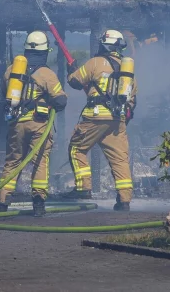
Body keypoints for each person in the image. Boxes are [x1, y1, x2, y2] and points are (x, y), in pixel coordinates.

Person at [62, 29, 138, 211]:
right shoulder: (127, 71)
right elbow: (132, 101)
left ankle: (83, 188)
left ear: (104, 44)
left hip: (95, 117)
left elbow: (74, 82)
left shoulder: (96, 62)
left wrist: (71, 70)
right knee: (120, 159)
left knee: (76, 149)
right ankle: (124, 200)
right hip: (117, 120)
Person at [0, 31, 68, 217]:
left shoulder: (10, 70)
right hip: (39, 125)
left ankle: (2, 202)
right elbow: (61, 101)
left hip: (16, 124)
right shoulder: (46, 74)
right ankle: (38, 203)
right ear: (45, 51)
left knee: (13, 162)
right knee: (40, 161)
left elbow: (6, 96)